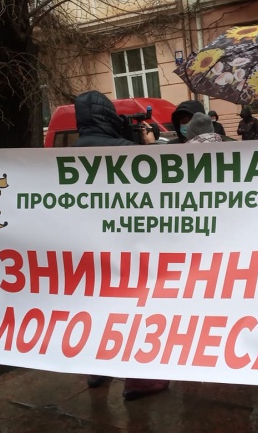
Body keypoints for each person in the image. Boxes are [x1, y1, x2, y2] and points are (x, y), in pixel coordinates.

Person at [72, 90, 169, 400]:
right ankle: (139, 380)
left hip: (88, 251)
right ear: (107, 116)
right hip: (129, 249)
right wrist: (149, 149)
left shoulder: (66, 155)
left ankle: (97, 367)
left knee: (97, 308)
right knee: (133, 311)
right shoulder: (129, 150)